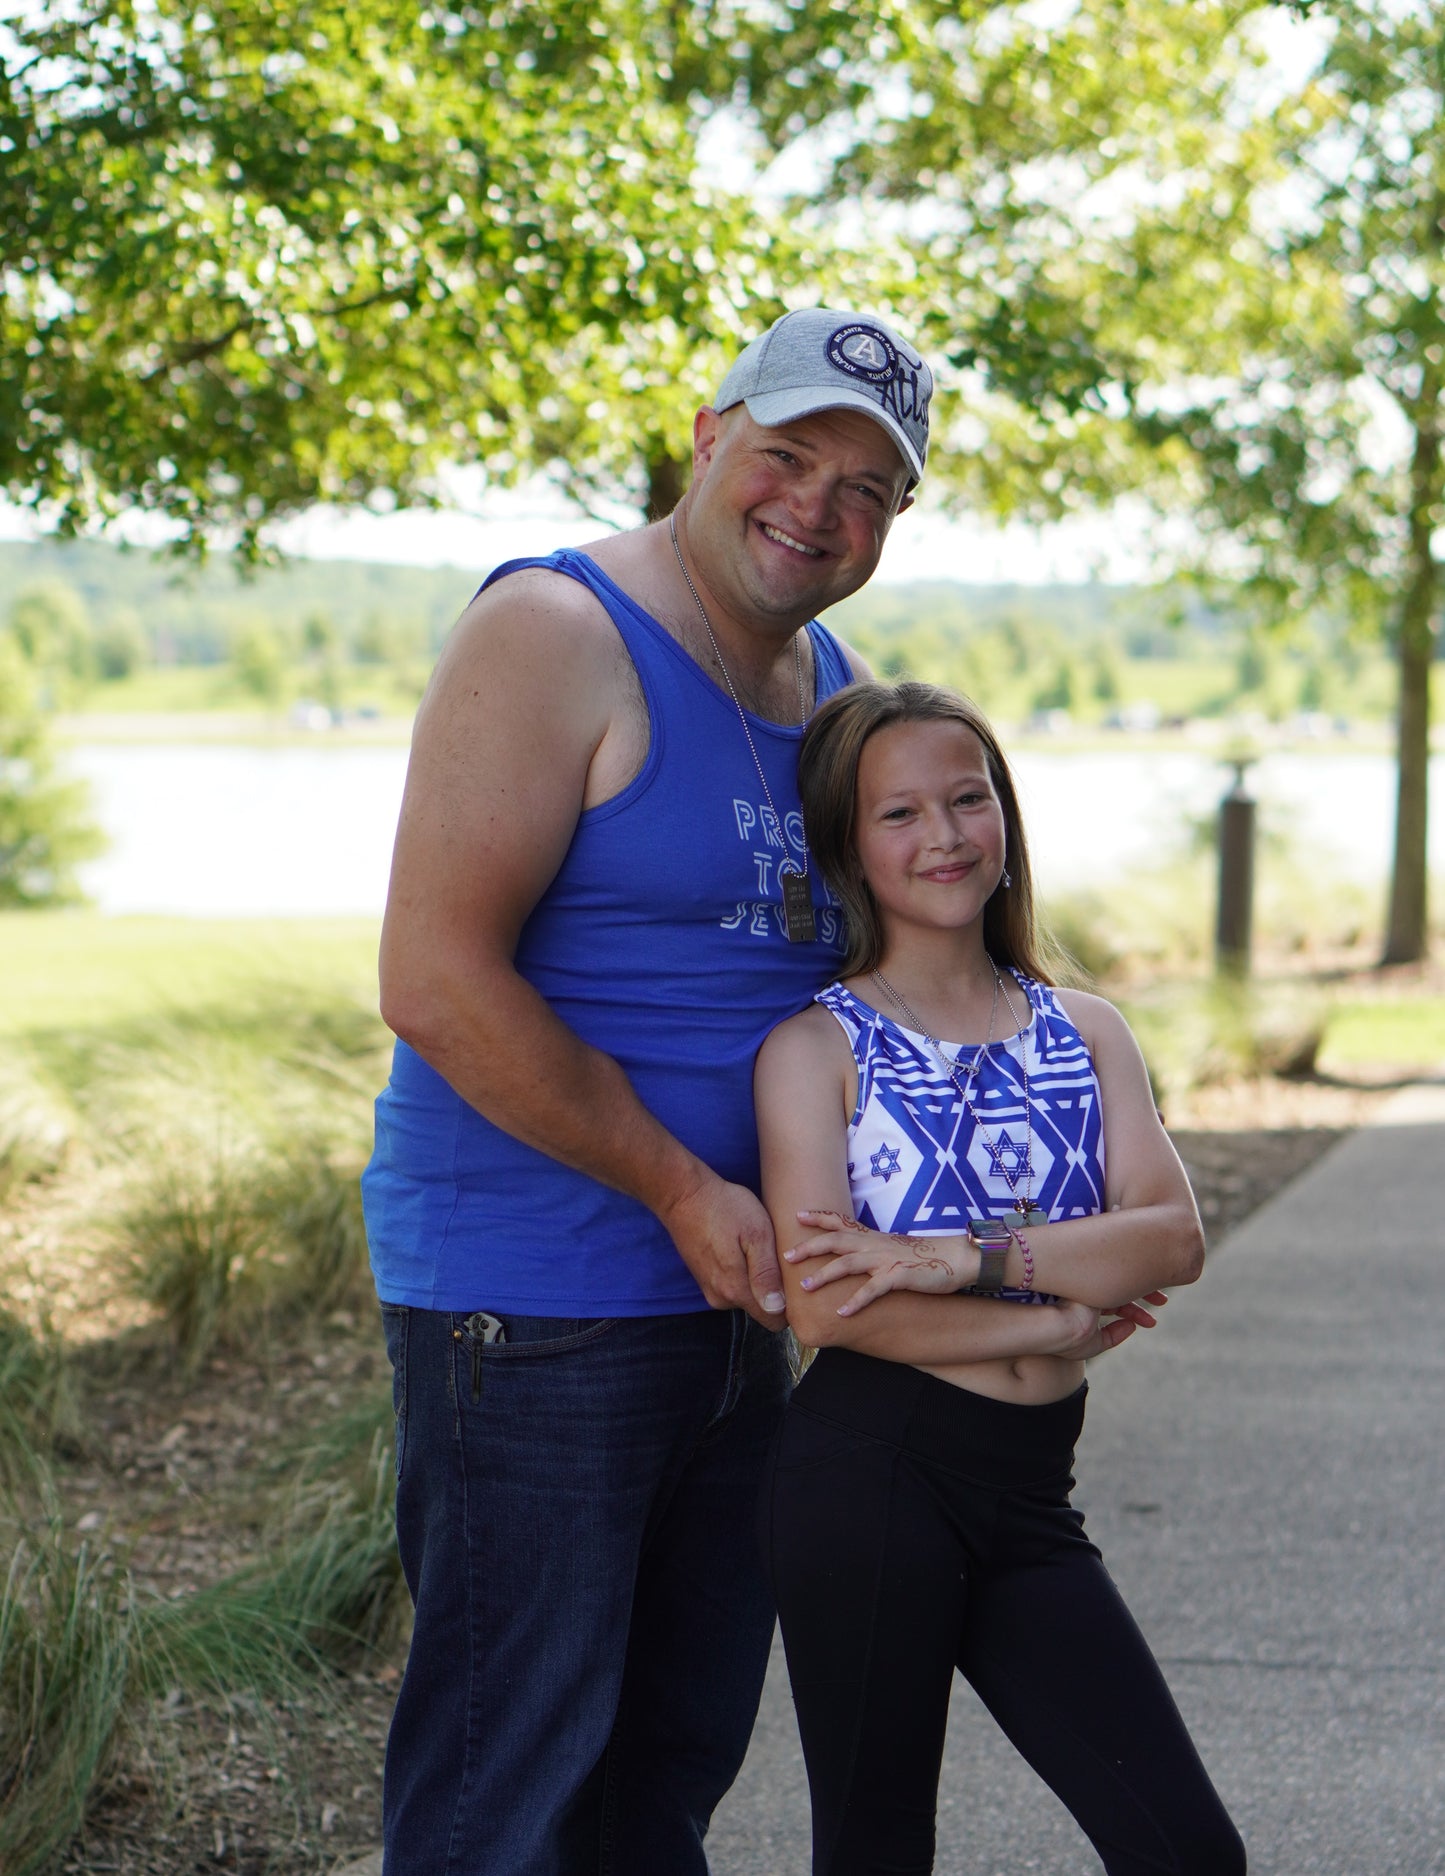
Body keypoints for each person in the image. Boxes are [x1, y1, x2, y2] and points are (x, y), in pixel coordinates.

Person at [360, 309, 934, 1875]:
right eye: (789, 453)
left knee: (664, 1775)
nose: (817, 505)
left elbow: (889, 980)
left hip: (739, 1306)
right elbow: (434, 979)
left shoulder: (836, 686)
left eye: (868, 486)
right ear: (707, 432)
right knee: (511, 1789)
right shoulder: (557, 632)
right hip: (536, 1307)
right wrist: (681, 1184)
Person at [754, 680, 1247, 1876]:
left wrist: (963, 1262)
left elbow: (1170, 1234)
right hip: (869, 1474)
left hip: (1028, 1493)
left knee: (1186, 1852)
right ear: (846, 851)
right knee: (875, 1855)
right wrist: (1060, 1310)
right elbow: (827, 1308)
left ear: (1004, 818)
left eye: (968, 799)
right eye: (898, 814)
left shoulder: (1081, 1030)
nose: (943, 836)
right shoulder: (813, 1050)